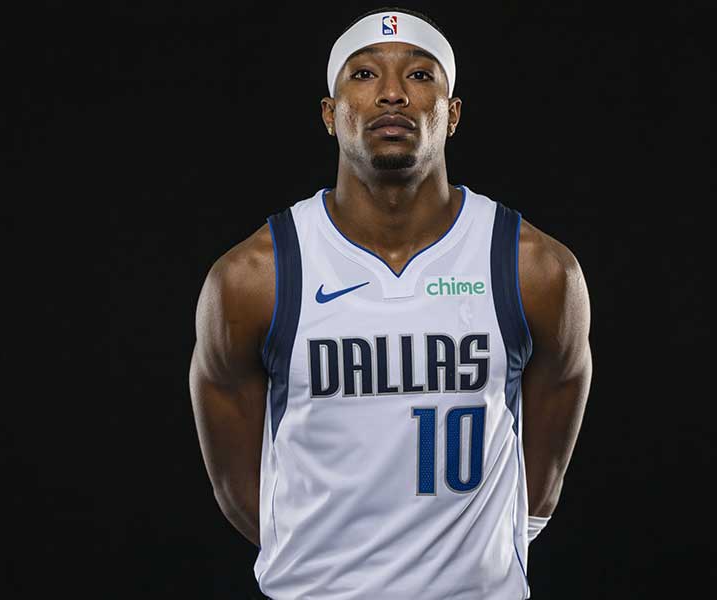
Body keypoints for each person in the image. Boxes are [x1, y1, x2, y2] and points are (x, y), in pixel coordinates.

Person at [189, 7, 591, 599]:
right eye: (364, 75)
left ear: (452, 115)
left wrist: (491, 549)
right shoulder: (254, 278)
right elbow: (234, 487)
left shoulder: (534, 268)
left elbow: (547, 471)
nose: (394, 94)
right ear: (331, 114)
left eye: (421, 76)